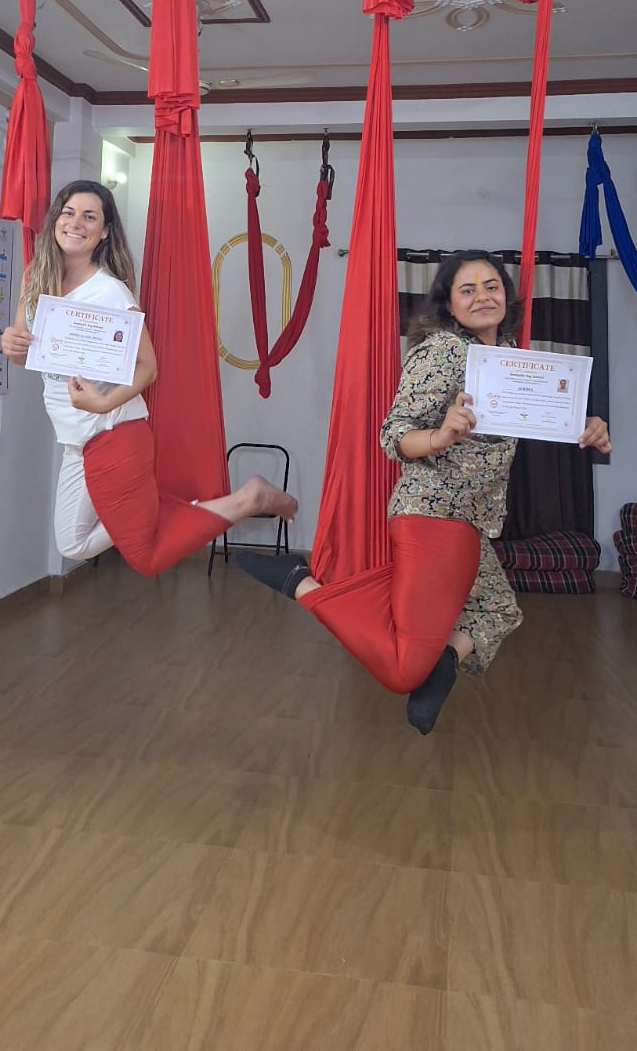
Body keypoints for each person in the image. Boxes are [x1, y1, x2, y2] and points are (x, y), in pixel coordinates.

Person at [236, 251, 611, 735]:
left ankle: (443, 667)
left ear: (507, 295)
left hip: (470, 519)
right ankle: (301, 583)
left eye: (492, 286)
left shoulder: (509, 358)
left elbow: (541, 417)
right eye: (467, 290)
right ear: (450, 305)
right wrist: (442, 434)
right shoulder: (444, 351)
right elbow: (393, 435)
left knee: (497, 611)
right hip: (434, 514)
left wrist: (585, 424)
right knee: (401, 671)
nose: (482, 296)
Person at [1, 180, 297, 571]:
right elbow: (25, 354)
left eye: (89, 217)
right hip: (74, 436)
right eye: (68, 213)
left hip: (112, 431)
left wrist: (103, 402)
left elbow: (148, 367)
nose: (75, 223)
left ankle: (247, 501)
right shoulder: (34, 280)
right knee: (73, 542)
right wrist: (12, 346)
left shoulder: (111, 293)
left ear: (104, 232)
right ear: (55, 219)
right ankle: (180, 508)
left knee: (144, 554)